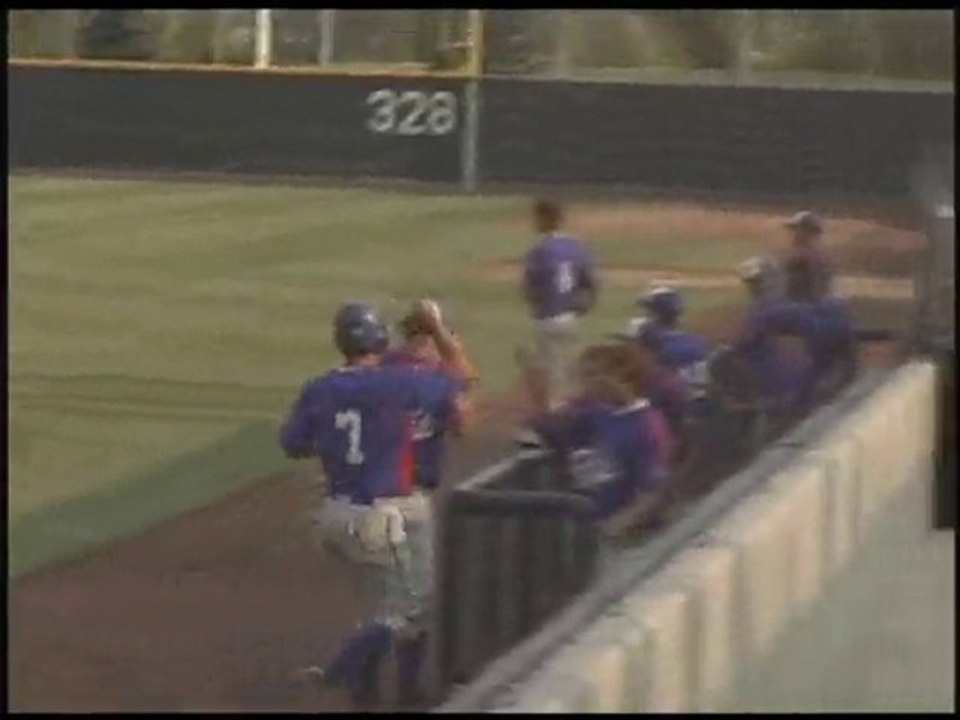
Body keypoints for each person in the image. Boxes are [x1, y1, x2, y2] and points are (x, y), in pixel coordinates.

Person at [280, 302, 473, 710]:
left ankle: (366, 694)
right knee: (408, 608)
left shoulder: (320, 387)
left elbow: (293, 444)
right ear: (382, 341)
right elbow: (459, 382)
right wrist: (437, 328)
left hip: (335, 515)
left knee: (383, 608)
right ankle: (342, 668)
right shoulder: (402, 383)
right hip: (386, 514)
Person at [522, 343, 671, 542]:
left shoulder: (648, 426)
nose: (586, 383)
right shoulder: (595, 414)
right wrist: (538, 389)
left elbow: (654, 493)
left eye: (592, 375)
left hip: (625, 541)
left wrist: (610, 530)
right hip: (580, 531)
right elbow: (552, 430)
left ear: (619, 378)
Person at [382, 299, 480, 494]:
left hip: (377, 484)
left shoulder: (382, 367)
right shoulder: (445, 379)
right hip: (418, 483)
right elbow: (463, 425)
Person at [521, 198, 598, 412]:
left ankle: (558, 420)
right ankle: (574, 409)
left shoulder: (540, 250)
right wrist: (585, 305)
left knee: (550, 373)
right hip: (570, 317)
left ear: (546, 218)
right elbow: (590, 282)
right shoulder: (576, 247)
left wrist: (536, 303)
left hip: (547, 318)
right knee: (568, 367)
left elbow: (528, 287)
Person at [783, 210, 833, 301]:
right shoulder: (800, 256)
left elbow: (816, 292)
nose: (793, 234)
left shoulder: (812, 259)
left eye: (796, 229)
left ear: (810, 232)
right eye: (793, 229)